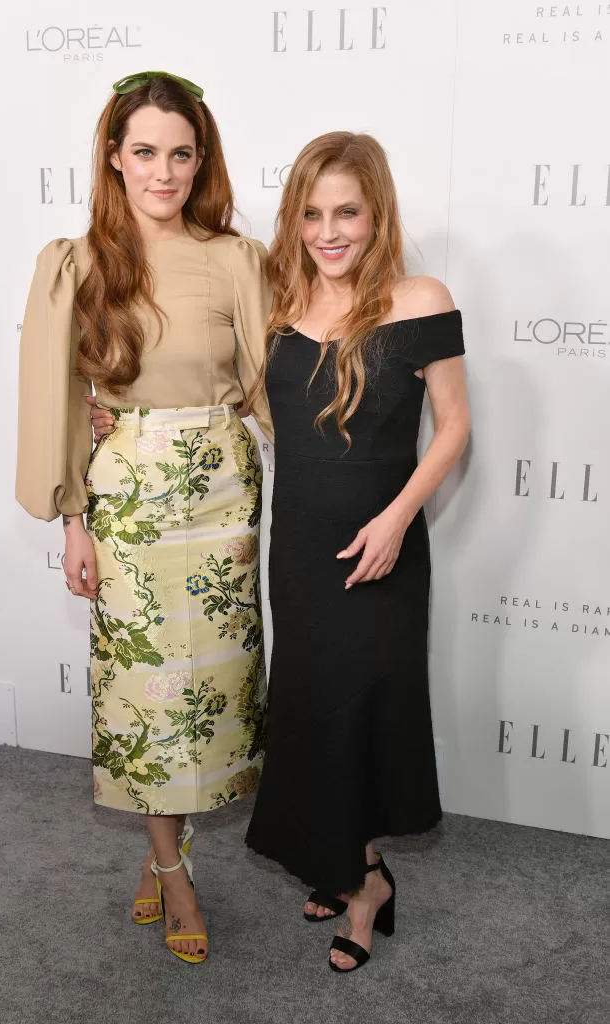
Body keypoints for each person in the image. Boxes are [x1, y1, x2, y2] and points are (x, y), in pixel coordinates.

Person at [90, 129, 471, 973]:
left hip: (381, 546)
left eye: (347, 213)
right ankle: (346, 865)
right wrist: (116, 405)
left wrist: (397, 519)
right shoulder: (276, 301)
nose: (328, 232)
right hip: (297, 544)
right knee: (312, 710)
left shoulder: (418, 299)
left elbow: (454, 427)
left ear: (377, 215)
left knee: (364, 709)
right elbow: (192, 359)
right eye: (311, 214)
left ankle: (365, 887)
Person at [16, 70, 273, 964]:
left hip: (223, 497)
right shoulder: (76, 262)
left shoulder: (238, 258)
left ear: (201, 161)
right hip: (126, 501)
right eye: (145, 152)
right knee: (143, 693)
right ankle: (173, 872)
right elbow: (57, 399)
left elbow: (269, 386)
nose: (163, 172)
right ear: (114, 158)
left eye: (181, 154)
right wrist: (72, 520)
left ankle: (167, 848)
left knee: (212, 692)